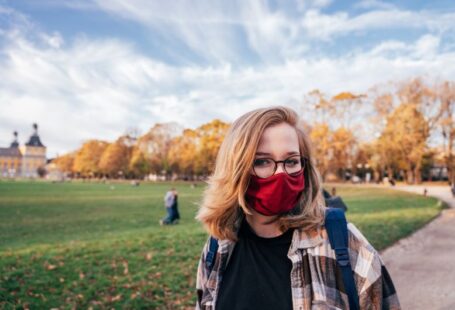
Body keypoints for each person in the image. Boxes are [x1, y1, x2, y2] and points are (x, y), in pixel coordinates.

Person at [195, 106, 400, 309]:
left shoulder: (346, 244)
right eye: (262, 161)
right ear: (235, 169)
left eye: (291, 161)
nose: (281, 174)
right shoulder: (218, 248)